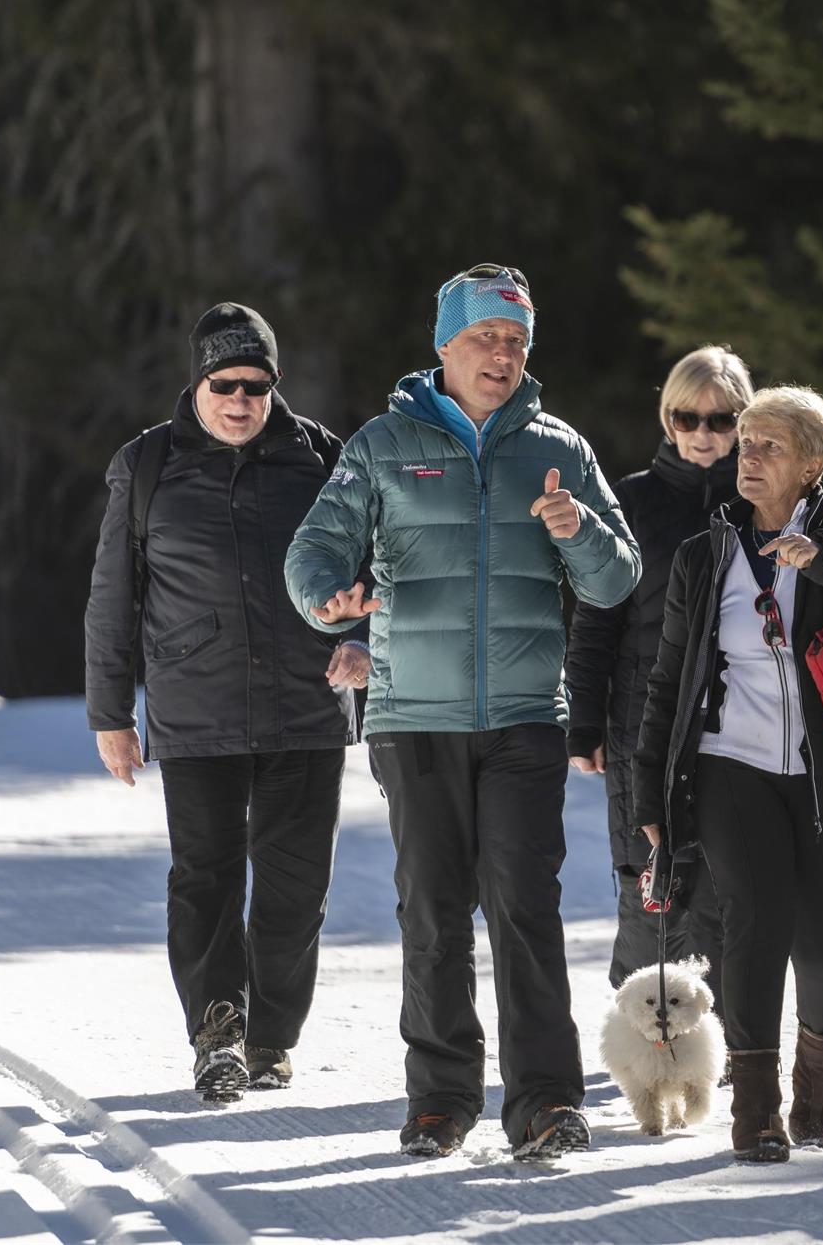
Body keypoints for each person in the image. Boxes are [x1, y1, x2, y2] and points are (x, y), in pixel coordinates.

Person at [284, 263, 641, 1160]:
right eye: (485, 337)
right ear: (444, 344)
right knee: (434, 913)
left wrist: (578, 531)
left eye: (516, 340)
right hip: (415, 717)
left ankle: (547, 1102)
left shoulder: (557, 446)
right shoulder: (382, 444)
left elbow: (618, 578)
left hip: (524, 715)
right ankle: (441, 1098)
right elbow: (314, 548)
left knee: (526, 906)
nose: (502, 354)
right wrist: (327, 598)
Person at [632, 385, 823, 1164]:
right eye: (747, 442)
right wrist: (650, 795)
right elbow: (668, 682)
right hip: (733, 769)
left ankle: (818, 1073)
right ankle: (755, 1111)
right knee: (755, 924)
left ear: (814, 464)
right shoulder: (706, 553)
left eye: (771, 446)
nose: (749, 457)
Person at [84, 303, 369, 1101]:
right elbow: (113, 598)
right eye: (224, 384)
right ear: (198, 381)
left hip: (307, 708)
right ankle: (217, 1034)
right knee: (205, 880)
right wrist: (110, 711)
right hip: (196, 710)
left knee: (295, 887)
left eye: (257, 385)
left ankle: (271, 1040)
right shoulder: (147, 466)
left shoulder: (324, 459)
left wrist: (367, 645)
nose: (240, 401)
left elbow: (381, 568)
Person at [565, 345, 753, 1003]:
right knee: (649, 873)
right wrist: (583, 719)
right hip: (644, 725)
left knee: (734, 874)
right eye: (687, 418)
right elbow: (595, 621)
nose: (704, 434)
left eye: (722, 420)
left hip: (741, 719)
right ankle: (646, 1028)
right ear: (666, 419)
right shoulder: (631, 502)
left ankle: (728, 1029)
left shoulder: (765, 503)